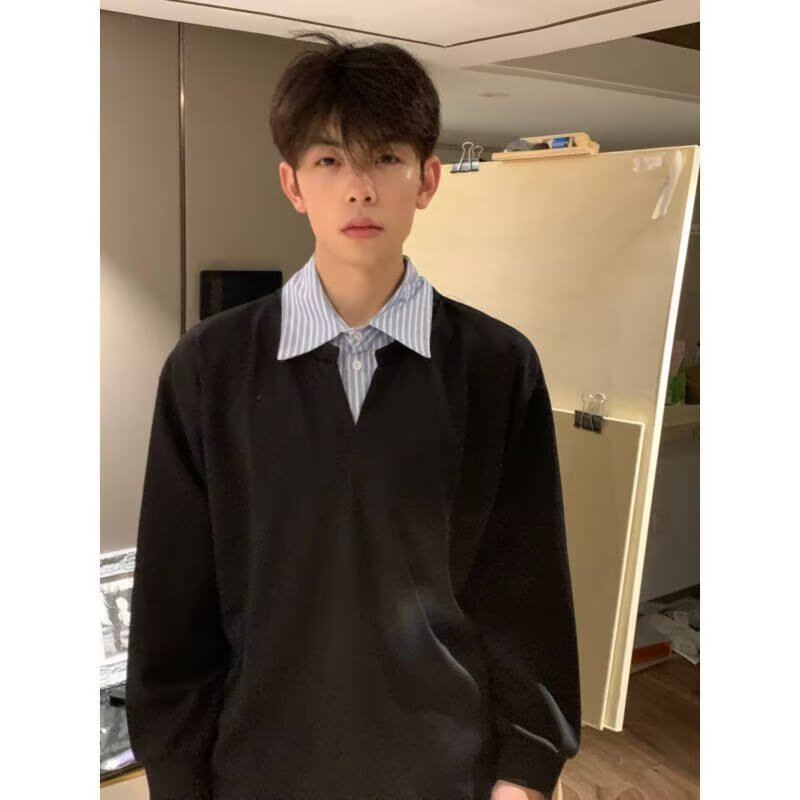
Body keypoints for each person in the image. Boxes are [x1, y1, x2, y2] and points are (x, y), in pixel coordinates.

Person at [126, 30, 581, 800]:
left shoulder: (497, 366)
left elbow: (526, 590)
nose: (359, 188)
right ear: (292, 183)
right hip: (259, 773)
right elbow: (173, 609)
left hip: (447, 773)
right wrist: (178, 778)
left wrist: (525, 773)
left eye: (386, 158)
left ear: (427, 179)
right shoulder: (208, 369)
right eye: (330, 160)